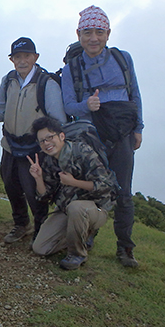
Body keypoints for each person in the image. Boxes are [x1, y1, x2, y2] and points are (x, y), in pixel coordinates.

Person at [61, 5, 143, 267]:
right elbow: (68, 106)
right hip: (89, 137)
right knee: (87, 190)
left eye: (98, 32)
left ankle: (125, 248)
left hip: (122, 133)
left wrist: (139, 128)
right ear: (78, 34)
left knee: (123, 192)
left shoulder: (123, 59)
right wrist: (87, 105)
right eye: (87, 32)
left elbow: (135, 94)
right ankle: (85, 238)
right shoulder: (70, 69)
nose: (93, 38)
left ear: (108, 33)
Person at [0, 37, 66, 244]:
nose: (22, 61)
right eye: (17, 57)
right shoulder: (9, 80)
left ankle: (41, 229)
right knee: (11, 185)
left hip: (35, 149)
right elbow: (1, 111)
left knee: (33, 191)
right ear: (12, 59)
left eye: (27, 56)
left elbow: (58, 121)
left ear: (35, 57)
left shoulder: (46, 83)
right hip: (10, 145)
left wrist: (51, 148)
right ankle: (21, 224)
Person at [28, 116, 118, 270]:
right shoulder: (49, 161)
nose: (46, 143)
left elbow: (105, 185)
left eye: (50, 137)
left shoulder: (82, 151)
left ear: (61, 136)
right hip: (66, 210)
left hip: (95, 209)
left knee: (76, 208)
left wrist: (73, 182)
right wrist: (38, 178)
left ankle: (77, 254)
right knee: (40, 248)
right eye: (42, 141)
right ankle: (81, 235)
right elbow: (45, 196)